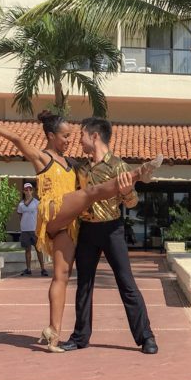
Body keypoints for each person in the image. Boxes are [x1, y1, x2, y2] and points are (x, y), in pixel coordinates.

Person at [0, 110, 144, 352]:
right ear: (51, 136)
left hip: (75, 224)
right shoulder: (43, 158)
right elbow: (18, 141)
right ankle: (137, 174)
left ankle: (53, 333)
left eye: (74, 136)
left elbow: (126, 200)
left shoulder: (76, 166)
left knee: (62, 276)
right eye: (65, 136)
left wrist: (124, 194)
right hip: (55, 213)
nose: (70, 140)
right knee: (88, 194)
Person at [60, 117, 161, 355]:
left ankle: (146, 337)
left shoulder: (119, 166)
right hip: (87, 230)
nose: (79, 140)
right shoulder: (82, 170)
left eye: (82, 135)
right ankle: (80, 337)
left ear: (94, 136)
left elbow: (133, 202)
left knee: (126, 283)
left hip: (112, 229)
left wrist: (126, 193)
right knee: (83, 284)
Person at [16, 183, 47, 277]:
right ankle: (28, 269)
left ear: (32, 191)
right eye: (26, 189)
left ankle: (43, 269)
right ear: (23, 191)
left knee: (38, 249)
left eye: (30, 189)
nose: (28, 191)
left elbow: (41, 216)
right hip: (25, 230)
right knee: (27, 250)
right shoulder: (21, 204)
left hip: (34, 230)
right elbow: (20, 215)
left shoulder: (37, 203)